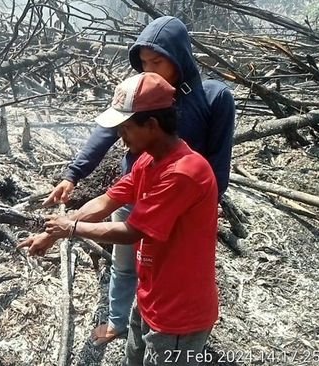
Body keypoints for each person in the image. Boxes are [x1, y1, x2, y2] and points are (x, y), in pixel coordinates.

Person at [42, 16, 235, 344]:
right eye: (143, 62)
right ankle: (125, 321)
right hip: (138, 190)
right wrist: (72, 176)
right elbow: (106, 140)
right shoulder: (143, 103)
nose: (149, 70)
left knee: (172, 271)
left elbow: (218, 165)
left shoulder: (213, 98)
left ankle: (178, 330)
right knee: (129, 263)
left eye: (156, 61)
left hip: (182, 205)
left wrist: (205, 211)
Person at [20, 72, 219, 366]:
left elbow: (132, 231)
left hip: (179, 313)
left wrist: (71, 228)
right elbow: (106, 201)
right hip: (152, 295)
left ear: (151, 125)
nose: (120, 136)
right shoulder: (148, 161)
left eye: (125, 128)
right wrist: (52, 233)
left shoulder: (183, 173)